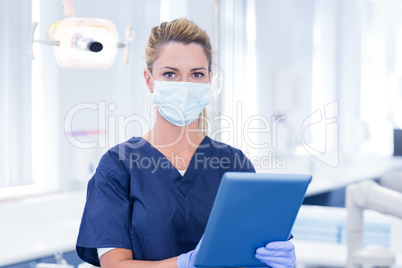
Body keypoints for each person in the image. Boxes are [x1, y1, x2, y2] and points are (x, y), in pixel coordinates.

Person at [76, 18, 295, 268]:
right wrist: (182, 264)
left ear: (209, 80)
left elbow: (251, 249)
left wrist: (273, 260)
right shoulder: (118, 167)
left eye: (196, 74)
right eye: (170, 74)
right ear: (149, 80)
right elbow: (114, 265)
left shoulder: (234, 164)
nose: (184, 85)